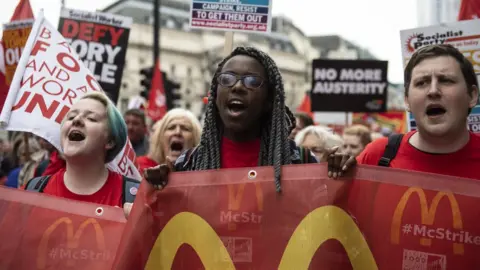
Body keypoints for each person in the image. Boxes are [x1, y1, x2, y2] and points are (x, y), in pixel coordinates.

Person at [143, 46, 355, 192]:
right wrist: (159, 189)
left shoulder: (299, 161)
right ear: (215, 97)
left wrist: (339, 181)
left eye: (252, 81)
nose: (237, 87)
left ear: (270, 100)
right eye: (226, 79)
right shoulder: (188, 164)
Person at [350, 44, 480, 269]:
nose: (433, 90)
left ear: (472, 95)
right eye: (421, 83)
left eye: (446, 80)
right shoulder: (378, 156)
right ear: (408, 101)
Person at [24, 92, 139, 207]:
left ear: (110, 141)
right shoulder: (34, 190)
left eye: (91, 118)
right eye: (71, 117)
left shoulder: (135, 199)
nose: (76, 120)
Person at [136, 108, 201, 175]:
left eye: (185, 128)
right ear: (160, 138)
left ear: (195, 139)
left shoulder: (204, 172)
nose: (177, 132)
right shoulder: (139, 168)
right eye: (171, 128)